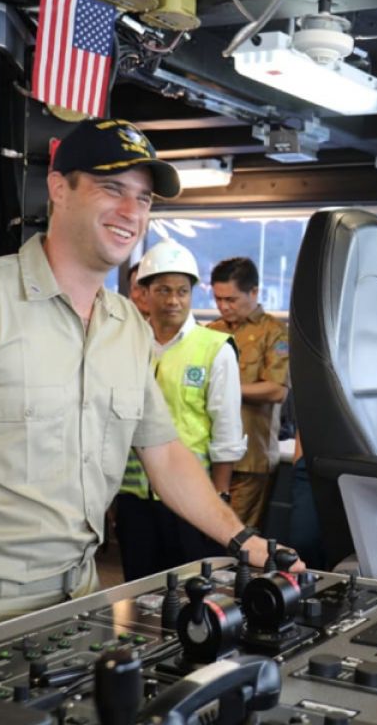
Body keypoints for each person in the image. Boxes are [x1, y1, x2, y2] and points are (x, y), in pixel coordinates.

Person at [0, 119, 301, 661]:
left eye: (144, 198)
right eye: (112, 189)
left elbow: (164, 453)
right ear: (59, 188)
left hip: (82, 595)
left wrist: (243, 540)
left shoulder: (127, 324)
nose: (131, 212)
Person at [115, 240, 247, 580]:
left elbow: (227, 430)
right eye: (163, 290)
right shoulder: (126, 345)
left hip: (192, 495)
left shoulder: (214, 348)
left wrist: (219, 494)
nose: (173, 300)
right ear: (143, 293)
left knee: (193, 592)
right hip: (134, 498)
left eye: (182, 291)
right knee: (138, 590)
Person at [207, 258, 289, 528]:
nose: (223, 306)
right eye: (218, 299)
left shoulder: (274, 333)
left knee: (236, 536)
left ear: (254, 292)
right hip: (211, 451)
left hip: (251, 455)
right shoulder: (211, 331)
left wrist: (225, 389)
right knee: (203, 532)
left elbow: (276, 390)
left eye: (231, 299)